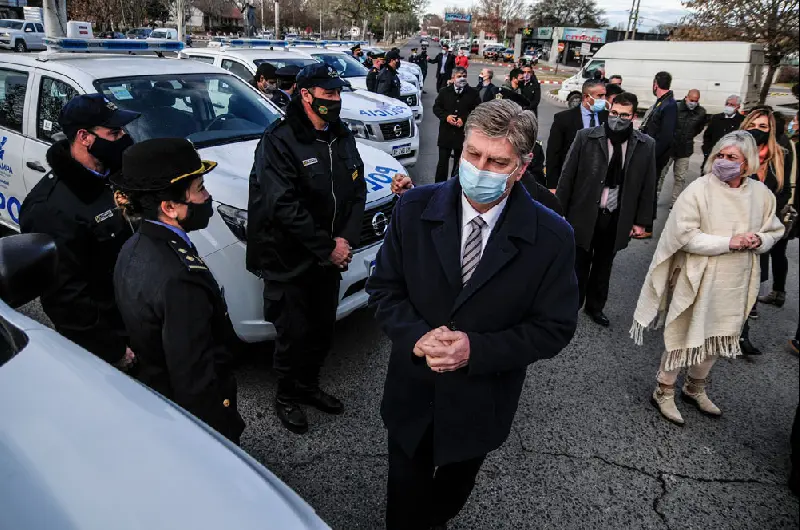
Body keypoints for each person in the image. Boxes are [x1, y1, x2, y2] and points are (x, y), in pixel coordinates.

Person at [367, 99, 578, 530]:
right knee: (404, 509)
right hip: (413, 395)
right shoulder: (412, 209)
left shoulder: (552, 236)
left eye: (497, 162)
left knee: (446, 502)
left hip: (480, 404)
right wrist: (416, 336)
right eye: (472, 155)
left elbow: (554, 327)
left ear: (523, 165)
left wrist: (475, 350)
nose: (480, 169)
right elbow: (384, 290)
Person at [631, 130, 784, 425]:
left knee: (718, 334)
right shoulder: (699, 189)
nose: (723, 162)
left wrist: (758, 240)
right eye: (720, 156)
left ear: (747, 163)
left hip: (737, 281)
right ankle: (664, 389)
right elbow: (684, 236)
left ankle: (694, 387)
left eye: (732, 158)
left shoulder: (761, 195)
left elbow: (773, 231)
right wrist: (730, 242)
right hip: (697, 276)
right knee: (685, 333)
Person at [246, 63, 367, 434]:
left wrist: (344, 240)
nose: (336, 100)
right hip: (289, 259)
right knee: (292, 334)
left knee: (321, 331)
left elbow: (356, 189)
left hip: (328, 259)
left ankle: (309, 386)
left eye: (337, 94)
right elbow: (282, 205)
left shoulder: (341, 135)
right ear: (305, 95)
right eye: (328, 94)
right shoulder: (279, 140)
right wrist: (326, 246)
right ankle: (286, 395)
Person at [112, 138, 246, 444]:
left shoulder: (135, 244)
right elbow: (195, 378)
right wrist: (220, 432)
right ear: (170, 207)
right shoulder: (180, 278)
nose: (208, 196)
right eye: (199, 189)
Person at [19, 94, 138, 369]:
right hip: (113, 346)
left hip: (139, 320)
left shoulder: (114, 175)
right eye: (115, 132)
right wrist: (113, 349)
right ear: (84, 137)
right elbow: (65, 298)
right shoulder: (50, 208)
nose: (124, 137)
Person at [557, 92, 656, 327]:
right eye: (614, 113)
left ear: (633, 117)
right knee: (578, 263)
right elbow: (567, 176)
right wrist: (558, 212)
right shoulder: (586, 137)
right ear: (608, 111)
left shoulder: (645, 145)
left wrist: (641, 221)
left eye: (624, 115)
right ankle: (572, 305)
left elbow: (648, 185)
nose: (618, 119)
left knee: (603, 266)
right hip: (583, 214)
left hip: (616, 217)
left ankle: (595, 307)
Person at [740, 108, 793, 318]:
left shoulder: (780, 156)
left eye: (762, 126)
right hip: (734, 222)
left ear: (771, 130)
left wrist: (767, 215)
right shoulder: (733, 151)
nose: (756, 131)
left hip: (762, 225)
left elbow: (785, 190)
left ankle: (744, 327)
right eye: (752, 126)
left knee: (756, 270)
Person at [546, 79, 608, 189]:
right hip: (572, 182)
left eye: (605, 96)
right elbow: (553, 154)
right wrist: (552, 185)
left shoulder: (607, 118)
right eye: (600, 96)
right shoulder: (563, 119)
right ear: (586, 97)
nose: (604, 100)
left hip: (599, 183)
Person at [637, 71, 677, 239]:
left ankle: (647, 227)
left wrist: (651, 155)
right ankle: (641, 224)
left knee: (649, 191)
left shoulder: (669, 105)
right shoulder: (662, 102)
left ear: (655, 84)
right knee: (646, 190)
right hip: (651, 153)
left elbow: (666, 136)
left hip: (656, 156)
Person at [432, 66, 481, 183]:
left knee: (460, 164)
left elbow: (477, 111)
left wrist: (464, 119)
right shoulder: (444, 91)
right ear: (453, 78)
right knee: (442, 163)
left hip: (462, 134)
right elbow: (436, 108)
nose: (462, 79)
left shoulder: (473, 93)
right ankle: (439, 186)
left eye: (464, 76)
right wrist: (446, 117)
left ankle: (456, 186)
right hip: (446, 133)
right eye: (459, 76)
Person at [663, 89, 707, 207]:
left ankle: (675, 203)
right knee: (661, 173)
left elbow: (699, 128)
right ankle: (653, 198)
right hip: (670, 147)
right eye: (691, 100)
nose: (693, 103)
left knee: (680, 177)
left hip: (685, 149)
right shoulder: (675, 107)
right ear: (686, 97)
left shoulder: (701, 112)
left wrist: (688, 136)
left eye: (696, 101)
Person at [702, 95, 745, 169]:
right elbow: (707, 136)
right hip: (713, 156)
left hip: (731, 159)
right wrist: (707, 151)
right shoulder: (716, 118)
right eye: (727, 104)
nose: (728, 106)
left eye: (731, 105)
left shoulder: (742, 121)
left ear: (738, 107)